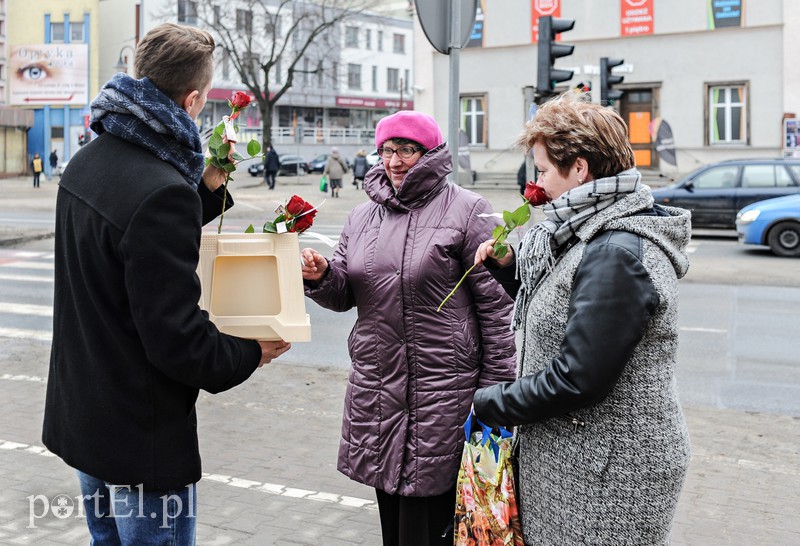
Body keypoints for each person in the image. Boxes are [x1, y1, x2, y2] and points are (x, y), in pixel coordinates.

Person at [42, 23, 291, 544]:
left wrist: (203, 191)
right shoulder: (160, 192)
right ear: (194, 99)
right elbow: (177, 341)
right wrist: (250, 352)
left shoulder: (87, 161)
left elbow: (127, 239)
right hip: (139, 436)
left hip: (86, 416)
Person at [471, 92, 691, 544]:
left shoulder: (615, 251)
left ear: (579, 169)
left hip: (607, 475)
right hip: (580, 456)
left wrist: (489, 401)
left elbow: (579, 377)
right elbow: (566, 310)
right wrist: (508, 270)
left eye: (544, 171)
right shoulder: (587, 229)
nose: (538, 183)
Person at [300, 110, 517, 546]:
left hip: (445, 394)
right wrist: (322, 275)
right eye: (387, 150)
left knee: (431, 522)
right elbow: (346, 294)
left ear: (430, 152)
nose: (395, 160)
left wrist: (494, 395)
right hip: (380, 389)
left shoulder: (468, 210)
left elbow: (497, 311)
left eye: (407, 149)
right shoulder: (362, 217)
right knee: (393, 523)